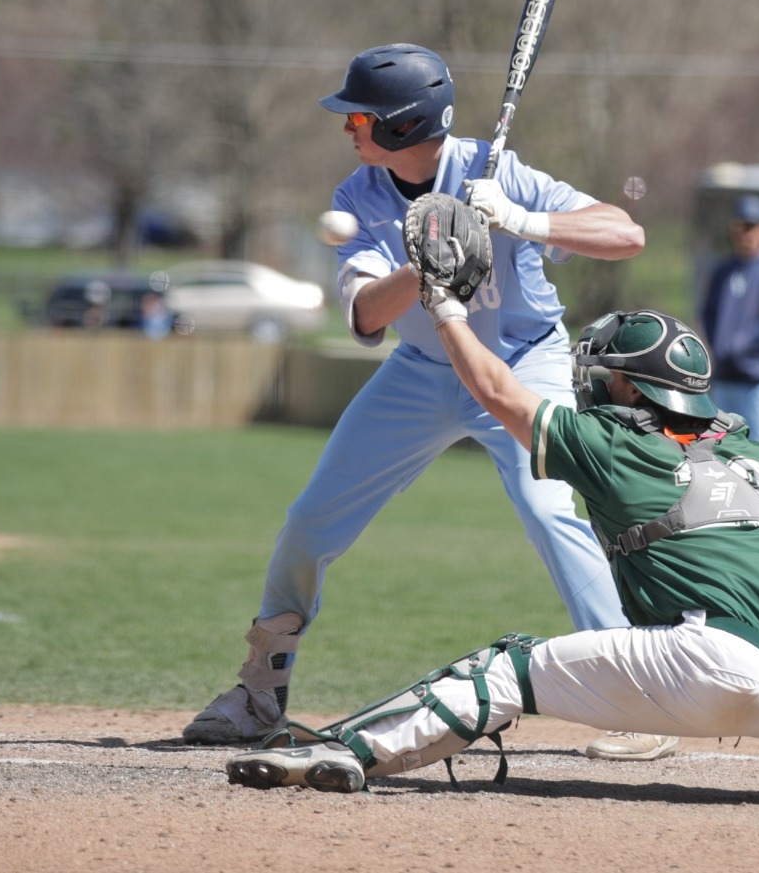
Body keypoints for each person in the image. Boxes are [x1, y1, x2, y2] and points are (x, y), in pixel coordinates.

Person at [182, 43, 671, 762]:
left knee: (551, 511)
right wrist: (431, 255)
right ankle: (260, 690)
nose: (348, 127)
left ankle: (638, 695)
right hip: (423, 368)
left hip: (522, 363)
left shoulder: (496, 172)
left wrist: (518, 220)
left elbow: (626, 234)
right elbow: (366, 313)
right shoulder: (358, 195)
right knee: (312, 519)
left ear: (404, 125)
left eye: (360, 118)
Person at [223, 303, 759, 801]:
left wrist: (447, 310)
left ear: (635, 389)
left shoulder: (611, 442)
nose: (594, 383)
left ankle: (350, 749)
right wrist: (733, 542)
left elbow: (496, 391)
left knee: (503, 667)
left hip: (709, 670)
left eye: (607, 374)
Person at [698, 193, 759, 451]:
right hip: (724, 380)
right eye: (740, 226)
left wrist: (740, 345)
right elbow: (708, 314)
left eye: (751, 226)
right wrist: (720, 346)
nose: (745, 233)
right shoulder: (723, 271)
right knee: (720, 458)